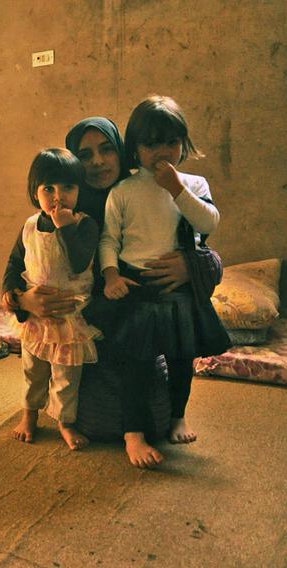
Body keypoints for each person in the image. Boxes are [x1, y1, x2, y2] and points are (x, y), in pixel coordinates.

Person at [5, 112, 224, 469]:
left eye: (107, 149)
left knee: (153, 419)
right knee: (91, 419)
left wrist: (195, 264)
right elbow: (19, 263)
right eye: (86, 155)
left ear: (123, 152)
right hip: (78, 333)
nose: (98, 162)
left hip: (138, 324)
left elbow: (206, 241)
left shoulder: (157, 193)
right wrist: (20, 299)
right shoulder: (65, 206)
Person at [97, 95, 231, 463]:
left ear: (183, 143)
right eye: (151, 143)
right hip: (137, 285)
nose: (162, 152)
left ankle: (177, 416)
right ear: (134, 148)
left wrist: (176, 188)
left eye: (171, 142)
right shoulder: (123, 191)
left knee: (181, 357)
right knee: (136, 362)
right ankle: (133, 434)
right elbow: (109, 238)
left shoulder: (194, 184)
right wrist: (110, 274)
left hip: (179, 288)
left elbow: (209, 224)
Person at [3, 148, 101, 450]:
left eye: (68, 188)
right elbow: (14, 264)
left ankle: (64, 422)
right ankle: (29, 414)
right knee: (33, 370)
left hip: (70, 318)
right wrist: (11, 293)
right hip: (35, 317)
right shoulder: (29, 226)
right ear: (35, 192)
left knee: (67, 377)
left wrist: (66, 227)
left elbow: (80, 262)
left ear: (80, 190)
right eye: (49, 189)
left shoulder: (84, 225)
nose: (58, 197)